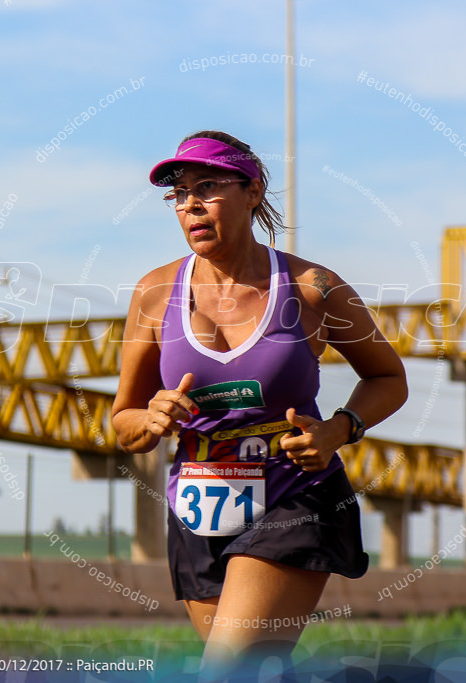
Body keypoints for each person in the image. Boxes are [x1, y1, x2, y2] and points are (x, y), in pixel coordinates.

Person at [111, 131, 408, 677]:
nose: (191, 204)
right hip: (198, 507)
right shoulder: (154, 293)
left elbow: (388, 377)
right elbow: (122, 419)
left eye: (207, 186)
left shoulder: (312, 286)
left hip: (294, 495)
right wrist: (148, 420)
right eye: (178, 193)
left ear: (252, 191)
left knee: (225, 672)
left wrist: (338, 430)